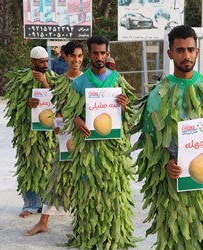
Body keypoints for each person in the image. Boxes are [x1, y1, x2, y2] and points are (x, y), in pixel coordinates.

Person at [132, 25, 203, 248]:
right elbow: (151, 143)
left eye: (190, 49)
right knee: (176, 240)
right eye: (180, 50)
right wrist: (165, 163)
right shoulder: (158, 95)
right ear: (170, 54)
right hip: (174, 185)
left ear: (197, 52)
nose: (186, 55)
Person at [61, 35, 136, 249]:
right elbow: (68, 110)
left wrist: (124, 106)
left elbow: (128, 117)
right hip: (88, 148)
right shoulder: (79, 83)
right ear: (89, 55)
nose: (99, 57)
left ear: (108, 54)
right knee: (89, 193)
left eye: (103, 53)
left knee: (113, 192)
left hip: (112, 150)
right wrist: (76, 120)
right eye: (95, 53)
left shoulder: (117, 80)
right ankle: (89, 236)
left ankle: (113, 237)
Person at [25, 41, 84, 236]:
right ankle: (43, 221)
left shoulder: (87, 81)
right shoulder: (59, 82)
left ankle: (83, 223)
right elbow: (53, 107)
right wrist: (56, 121)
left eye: (80, 56)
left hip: (84, 140)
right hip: (64, 138)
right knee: (56, 178)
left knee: (83, 181)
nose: (76, 60)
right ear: (65, 57)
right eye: (72, 56)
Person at [4, 46, 56, 218]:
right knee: (29, 168)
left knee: (48, 167)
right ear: (32, 62)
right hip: (28, 135)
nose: (45, 64)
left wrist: (44, 83)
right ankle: (31, 205)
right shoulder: (20, 80)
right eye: (41, 62)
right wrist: (26, 104)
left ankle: (48, 205)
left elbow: (58, 100)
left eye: (47, 61)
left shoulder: (53, 78)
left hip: (48, 134)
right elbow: (12, 107)